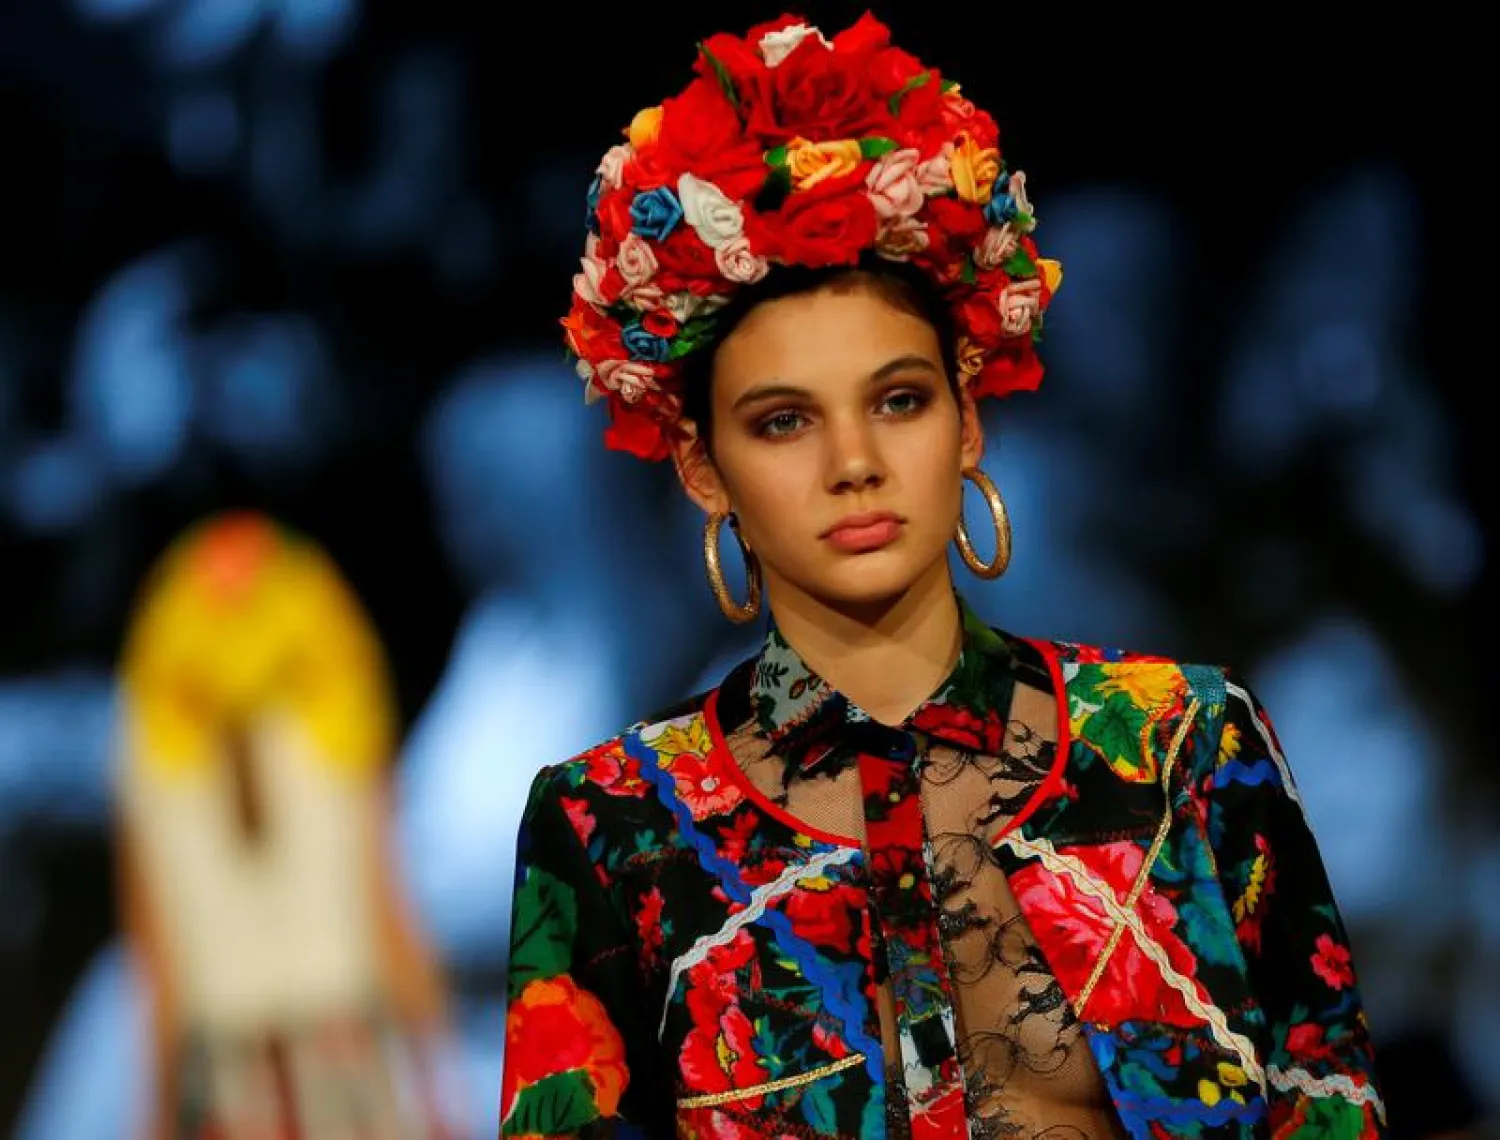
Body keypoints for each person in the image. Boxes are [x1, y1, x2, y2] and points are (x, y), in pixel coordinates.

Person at [497, 13, 1386, 1139]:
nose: (855, 464)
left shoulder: (1184, 744)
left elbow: (1333, 1101)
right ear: (701, 467)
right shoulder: (613, 829)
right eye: (782, 423)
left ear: (968, 423)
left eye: (900, 400)